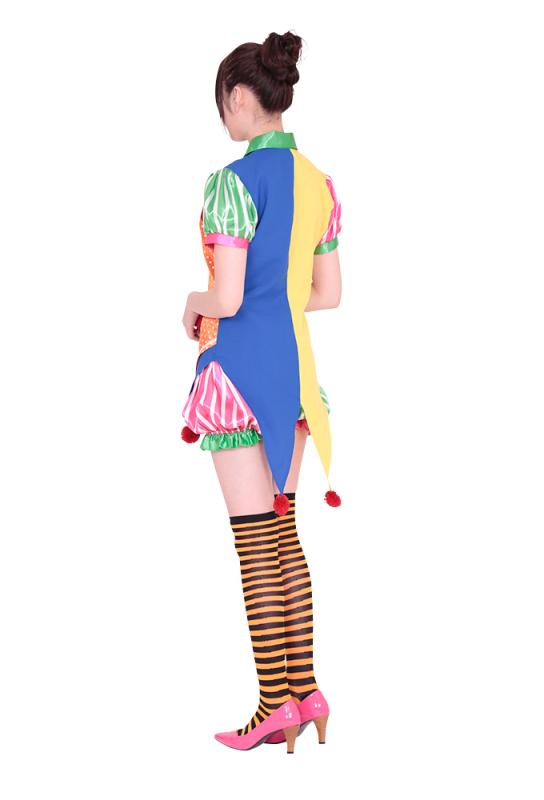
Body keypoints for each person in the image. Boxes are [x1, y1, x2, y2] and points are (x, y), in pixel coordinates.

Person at [180, 30, 342, 754]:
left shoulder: (232, 183)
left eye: (223, 104)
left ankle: (273, 703)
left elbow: (228, 295)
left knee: (255, 546)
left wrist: (193, 302)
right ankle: (306, 692)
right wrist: (277, 298)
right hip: (296, 379)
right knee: (284, 537)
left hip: (238, 377)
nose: (224, 117)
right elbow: (327, 294)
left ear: (240, 97)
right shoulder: (319, 184)